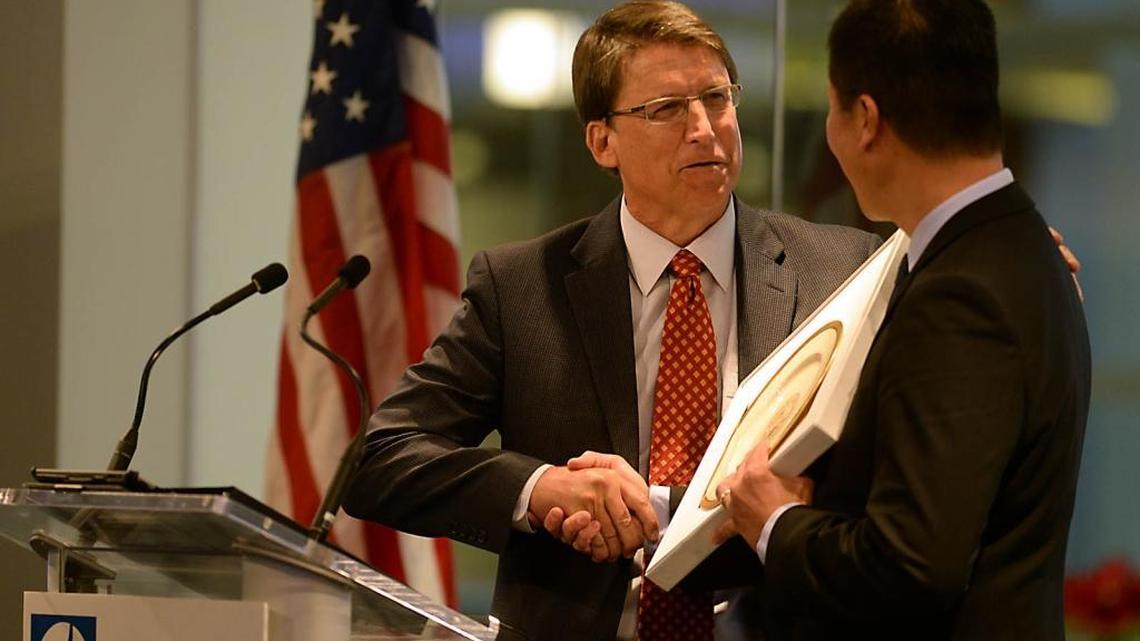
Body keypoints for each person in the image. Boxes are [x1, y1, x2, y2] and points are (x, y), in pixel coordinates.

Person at [343, 2, 880, 639]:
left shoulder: (843, 269)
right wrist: (539, 489)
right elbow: (380, 458)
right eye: (667, 108)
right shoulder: (522, 288)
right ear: (603, 142)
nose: (704, 128)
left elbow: (889, 483)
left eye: (716, 98)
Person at [714, 1, 1091, 640]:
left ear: (865, 119)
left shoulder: (960, 294)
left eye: (832, 109)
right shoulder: (1020, 246)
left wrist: (775, 521)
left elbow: (912, 564)